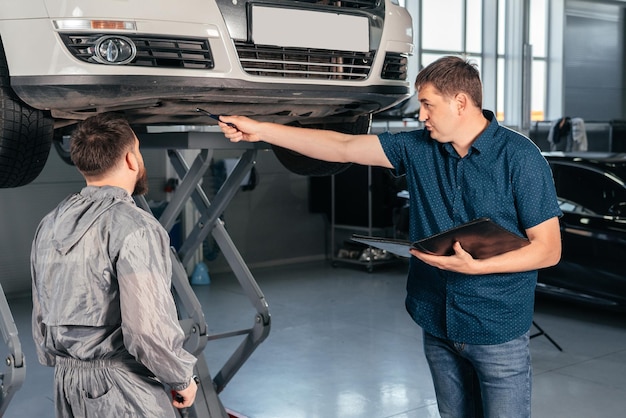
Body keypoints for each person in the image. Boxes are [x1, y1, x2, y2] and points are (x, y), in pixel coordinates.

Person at [217, 56, 562, 417]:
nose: (421, 115)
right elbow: (343, 148)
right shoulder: (417, 148)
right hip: (436, 319)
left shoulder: (521, 159)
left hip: (496, 326)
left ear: (460, 102)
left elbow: (548, 250)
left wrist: (476, 268)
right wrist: (261, 130)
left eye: (428, 104)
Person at [31, 112, 198, 417]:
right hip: (122, 387)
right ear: (132, 159)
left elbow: (42, 310)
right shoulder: (135, 227)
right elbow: (147, 330)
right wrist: (181, 377)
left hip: (66, 382)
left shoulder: (49, 223)